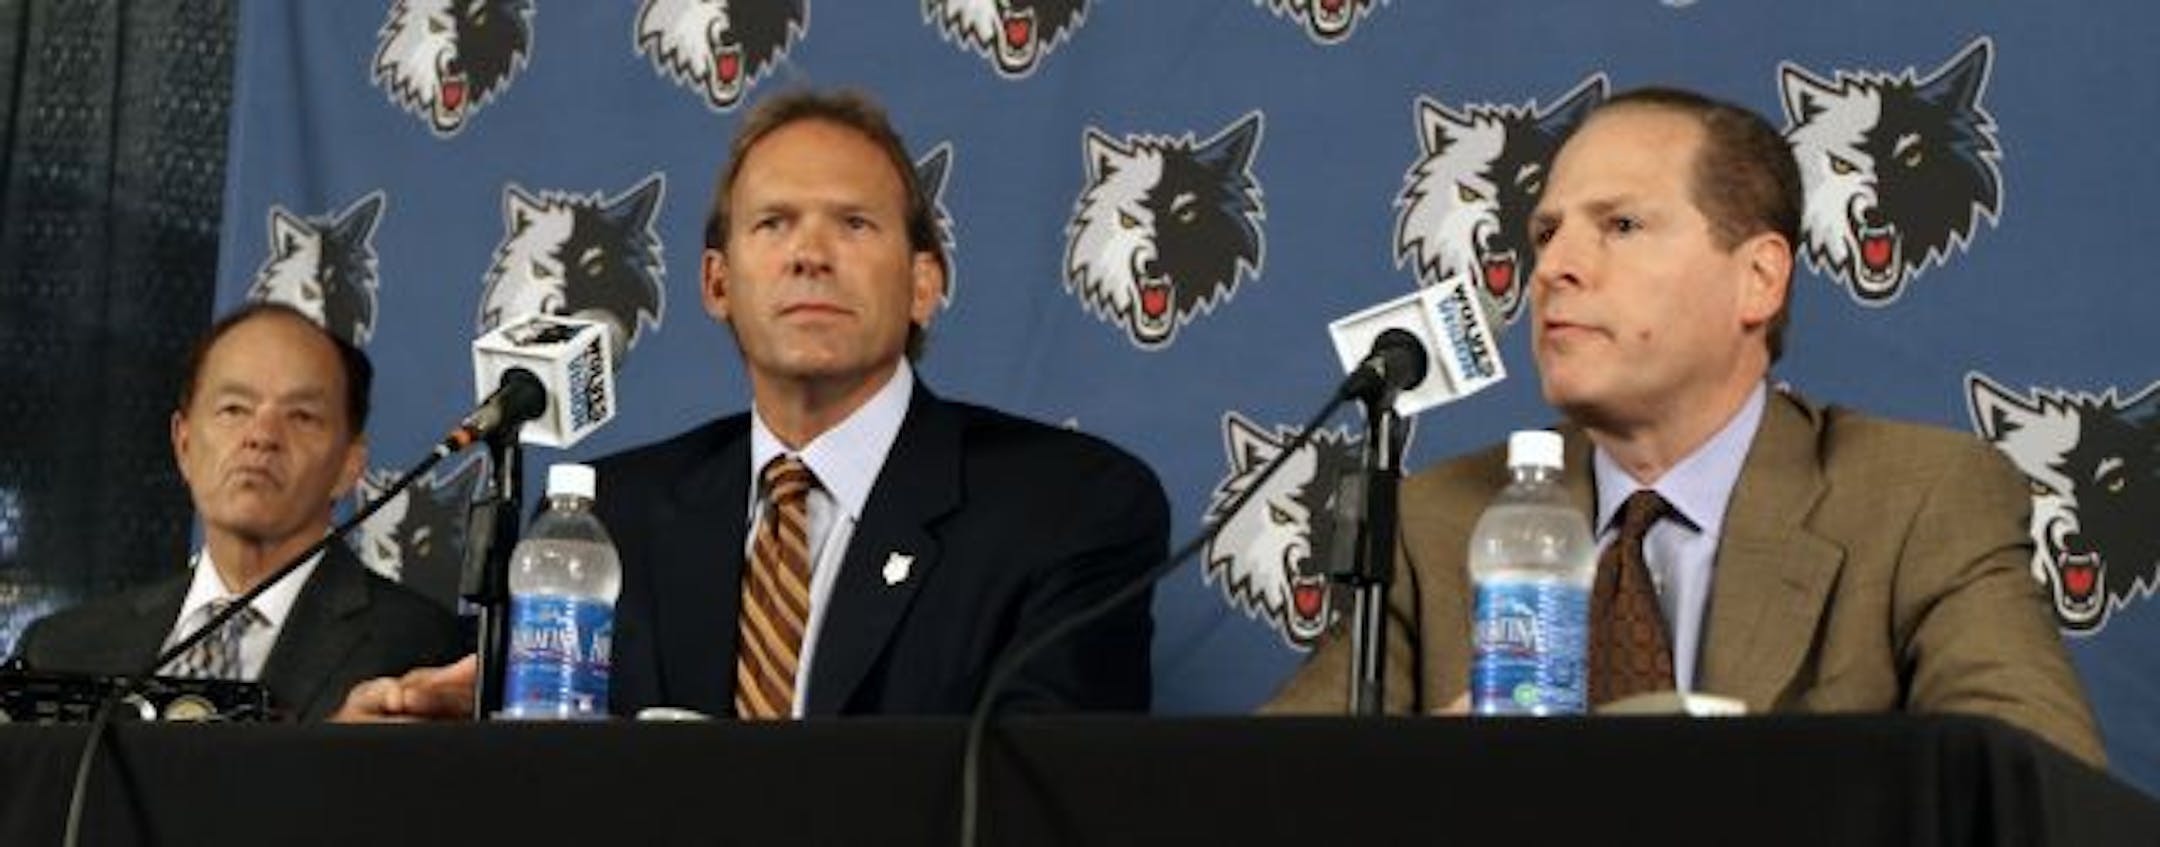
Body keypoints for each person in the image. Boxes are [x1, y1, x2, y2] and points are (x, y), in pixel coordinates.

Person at [1264, 87, 2106, 767]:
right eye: (1545, 232)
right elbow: (1258, 796)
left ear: (1759, 279)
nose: (1553, 265)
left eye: (1621, 225)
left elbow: (2030, 780)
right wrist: (1408, 784)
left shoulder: (1920, 500)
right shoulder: (1437, 521)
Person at [341, 88, 1166, 721]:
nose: (810, 254)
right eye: (773, 223)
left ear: (924, 284)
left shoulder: (1067, 508)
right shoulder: (611, 519)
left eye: (853, 223)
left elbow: (1051, 793)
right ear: (716, 284)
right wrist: (461, 731)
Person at [12, 303, 465, 721]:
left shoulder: (418, 650)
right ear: (184, 444)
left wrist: (334, 757)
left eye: (302, 416)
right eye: (233, 409)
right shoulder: (61, 650)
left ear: (349, 465)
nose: (261, 436)